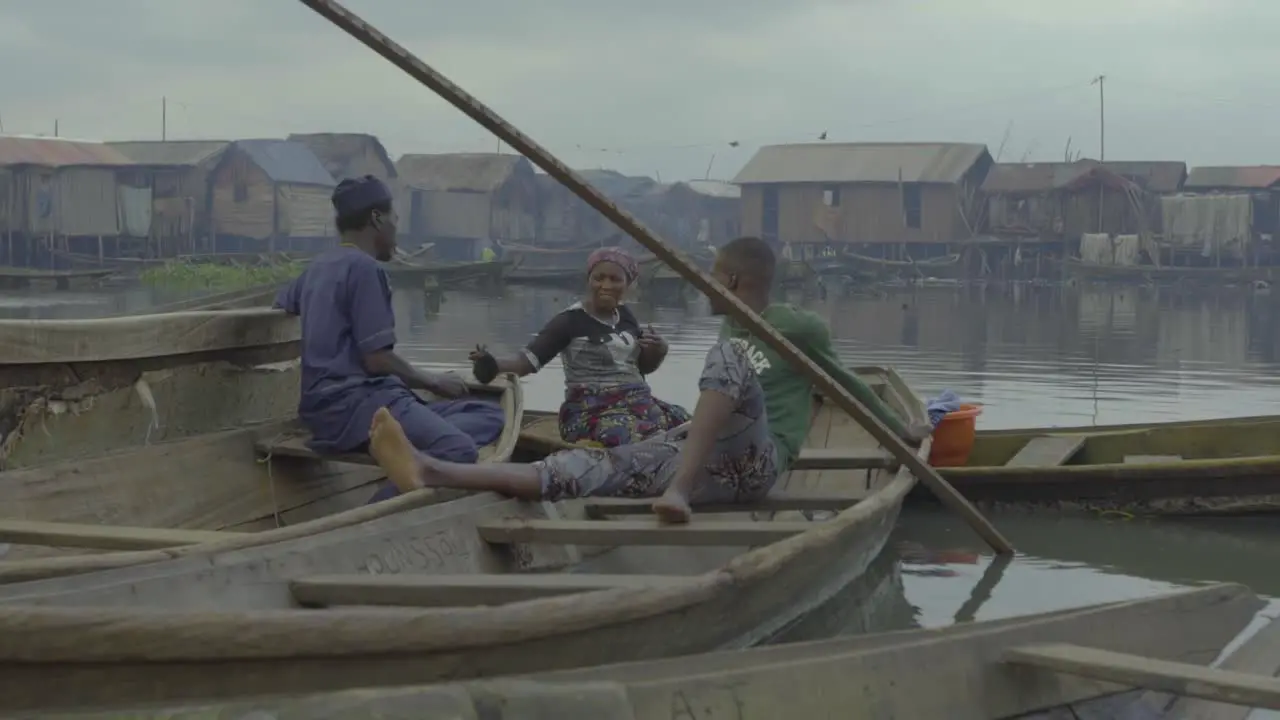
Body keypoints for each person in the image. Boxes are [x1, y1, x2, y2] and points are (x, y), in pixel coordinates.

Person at [367, 236, 926, 523]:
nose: (703, 287)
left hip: (759, 465)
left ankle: (676, 489)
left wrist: (901, 428)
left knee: (723, 364)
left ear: (731, 278)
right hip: (708, 464)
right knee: (588, 464)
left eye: (711, 278)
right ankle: (432, 469)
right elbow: (532, 358)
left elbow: (847, 384)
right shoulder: (725, 323)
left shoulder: (795, 326)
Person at [274, 175, 506, 502]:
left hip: (324, 409)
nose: (397, 229)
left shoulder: (318, 266)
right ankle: (371, 510)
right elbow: (377, 358)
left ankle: (402, 448)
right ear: (376, 219)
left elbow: (282, 303)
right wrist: (433, 381)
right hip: (358, 406)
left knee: (490, 414)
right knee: (458, 449)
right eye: (395, 219)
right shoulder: (366, 269)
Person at [469, 247, 689, 448]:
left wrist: (659, 350)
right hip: (589, 410)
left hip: (637, 402)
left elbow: (641, 368)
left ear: (628, 284)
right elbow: (527, 362)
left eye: (615, 279)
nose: (606, 286)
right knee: (627, 435)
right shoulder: (569, 321)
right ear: (588, 280)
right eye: (599, 278)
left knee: (686, 424)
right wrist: (492, 364)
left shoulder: (626, 317)